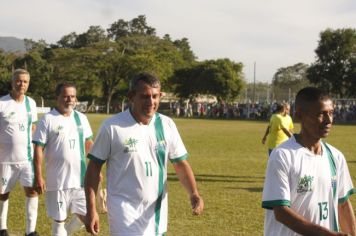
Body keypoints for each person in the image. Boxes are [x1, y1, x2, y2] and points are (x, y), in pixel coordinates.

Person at [84, 72, 204, 235]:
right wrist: (91, 209)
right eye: (145, 96)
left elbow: (180, 164)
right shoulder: (112, 127)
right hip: (123, 212)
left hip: (156, 213)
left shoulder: (167, 125)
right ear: (131, 97)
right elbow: (93, 169)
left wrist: (194, 193)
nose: (151, 102)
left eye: (155, 96)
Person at [262, 87, 356, 236]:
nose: (328, 120)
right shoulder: (282, 155)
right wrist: (327, 234)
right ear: (299, 114)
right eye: (321, 114)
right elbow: (281, 212)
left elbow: (343, 205)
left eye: (331, 113)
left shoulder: (336, 156)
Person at [33, 82, 93, 236]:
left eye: (72, 96)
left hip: (80, 181)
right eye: (66, 96)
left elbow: (88, 144)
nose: (69, 100)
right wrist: (38, 176)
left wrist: (95, 167)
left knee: (87, 218)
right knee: (59, 220)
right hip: (57, 181)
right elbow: (38, 148)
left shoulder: (81, 118)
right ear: (57, 97)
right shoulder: (47, 119)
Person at [0, 69, 39, 236]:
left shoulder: (32, 103)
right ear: (12, 82)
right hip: (4, 160)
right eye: (18, 81)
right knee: (2, 193)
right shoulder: (2, 103)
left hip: (27, 159)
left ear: (28, 84)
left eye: (25, 81)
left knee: (32, 191)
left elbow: (34, 127)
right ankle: (2, 228)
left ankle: (30, 231)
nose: (21, 84)